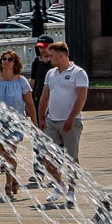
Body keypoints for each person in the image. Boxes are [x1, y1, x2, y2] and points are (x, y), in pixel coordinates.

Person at [36, 42, 91, 207]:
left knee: (71, 158)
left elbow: (81, 98)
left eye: (51, 55)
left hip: (71, 121)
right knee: (45, 156)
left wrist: (71, 118)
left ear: (61, 55)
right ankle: (59, 184)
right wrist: (41, 118)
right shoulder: (50, 74)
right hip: (52, 120)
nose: (48, 58)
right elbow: (44, 96)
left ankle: (71, 191)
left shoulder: (78, 73)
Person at [0, 51, 35, 199]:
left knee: (10, 152)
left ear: (15, 63)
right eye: (4, 59)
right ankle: (13, 179)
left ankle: (8, 184)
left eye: (10, 59)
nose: (6, 62)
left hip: (15, 121)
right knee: (3, 152)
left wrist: (35, 122)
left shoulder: (21, 81)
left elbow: (29, 103)